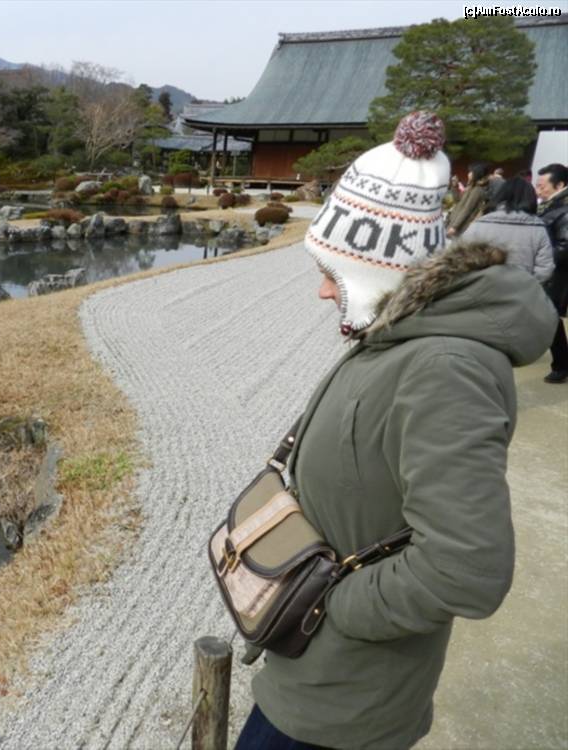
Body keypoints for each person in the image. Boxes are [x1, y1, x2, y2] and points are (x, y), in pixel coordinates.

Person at [235, 112, 558, 750]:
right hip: (313, 675)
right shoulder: (399, 336)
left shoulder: (444, 368)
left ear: (381, 269)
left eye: (332, 273)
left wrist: (334, 606)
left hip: (346, 701)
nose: (322, 293)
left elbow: (467, 569)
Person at [461, 177, 554, 283]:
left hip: (482, 288)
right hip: (522, 289)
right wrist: (528, 287)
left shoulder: (479, 224)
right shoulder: (538, 229)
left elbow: (460, 258)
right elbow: (545, 269)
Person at [536, 163, 568, 383]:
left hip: (558, 274)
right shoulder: (550, 206)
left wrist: (542, 261)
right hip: (552, 271)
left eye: (542, 185)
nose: (538, 189)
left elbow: (565, 246)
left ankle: (562, 365)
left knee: (550, 316)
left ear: (560, 185)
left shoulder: (564, 209)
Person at [445, 162, 490, 237]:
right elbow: (458, 200)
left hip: (460, 227)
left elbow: (467, 209)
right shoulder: (471, 187)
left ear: (477, 174)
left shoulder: (477, 190)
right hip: (454, 222)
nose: (468, 174)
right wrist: (455, 186)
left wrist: (455, 227)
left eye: (471, 172)